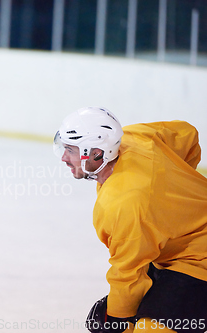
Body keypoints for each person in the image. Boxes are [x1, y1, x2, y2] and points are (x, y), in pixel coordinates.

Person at [54, 107, 207, 333]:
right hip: (176, 252)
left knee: (148, 329)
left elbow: (128, 273)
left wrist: (117, 321)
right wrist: (175, 189)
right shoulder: (135, 138)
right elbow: (187, 133)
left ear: (96, 153)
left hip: (197, 261)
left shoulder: (122, 203)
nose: (64, 158)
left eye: (70, 149)